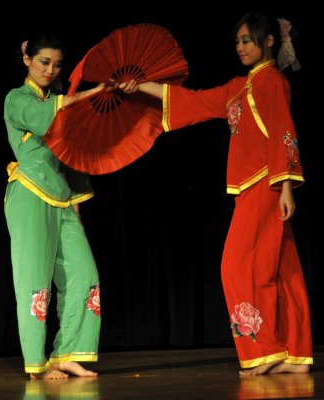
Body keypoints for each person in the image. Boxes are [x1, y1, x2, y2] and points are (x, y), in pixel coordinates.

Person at [119, 12, 313, 375]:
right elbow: (191, 101)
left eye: (248, 40)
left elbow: (284, 132)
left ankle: (265, 349)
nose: (240, 47)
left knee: (237, 267)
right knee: (282, 270)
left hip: (265, 184)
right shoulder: (239, 87)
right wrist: (141, 84)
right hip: (255, 186)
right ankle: (294, 354)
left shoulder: (272, 82)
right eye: (237, 41)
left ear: (269, 41)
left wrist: (286, 187)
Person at [4, 34, 103, 380]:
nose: (50, 69)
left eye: (57, 64)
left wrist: (75, 206)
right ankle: (36, 365)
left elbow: (72, 159)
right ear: (27, 58)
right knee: (35, 282)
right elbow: (46, 119)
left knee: (85, 275)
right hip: (29, 194)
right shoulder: (17, 99)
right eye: (44, 61)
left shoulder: (62, 101)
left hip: (62, 200)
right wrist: (84, 98)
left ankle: (67, 353)